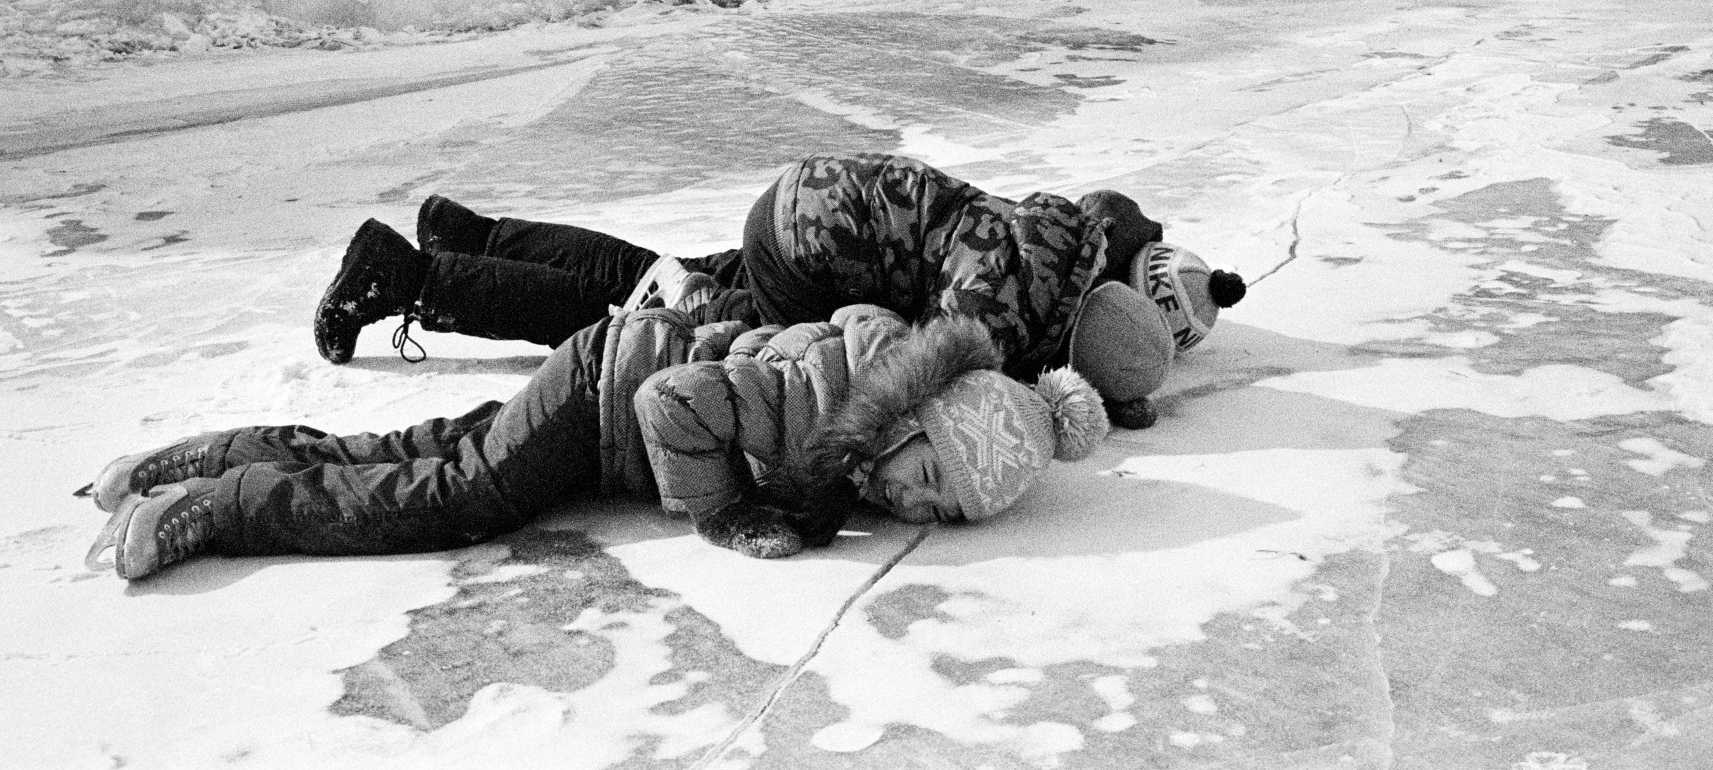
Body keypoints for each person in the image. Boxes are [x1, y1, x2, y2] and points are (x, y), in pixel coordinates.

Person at [83, 302, 1108, 582]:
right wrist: (724, 512)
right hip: (608, 392)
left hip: (603, 379)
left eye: (940, 509)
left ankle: (217, 453)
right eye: (928, 476)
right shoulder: (817, 401)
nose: (915, 505)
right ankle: (217, 510)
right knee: (456, 497)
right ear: (910, 418)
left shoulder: (856, 431)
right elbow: (674, 401)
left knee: (425, 446)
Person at [312, 153, 1247, 428]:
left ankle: (470, 238)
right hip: (815, 253)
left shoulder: (1068, 227)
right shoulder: (1011, 301)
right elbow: (934, 376)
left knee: (660, 277)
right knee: (659, 323)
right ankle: (413, 279)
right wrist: (1062, 396)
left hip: (818, 207)